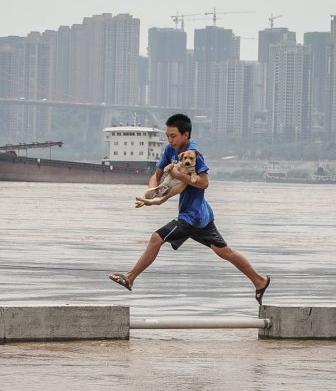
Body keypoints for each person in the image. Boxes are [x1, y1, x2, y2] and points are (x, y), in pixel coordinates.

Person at [109, 114, 271, 305]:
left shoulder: (194, 154)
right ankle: (259, 280)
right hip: (203, 215)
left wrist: (179, 174)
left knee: (156, 238)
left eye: (174, 136)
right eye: (168, 136)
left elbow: (203, 183)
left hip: (192, 216)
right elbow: (158, 173)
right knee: (225, 252)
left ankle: (130, 277)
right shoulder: (170, 150)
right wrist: (152, 190)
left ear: (186, 135)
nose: (170, 140)